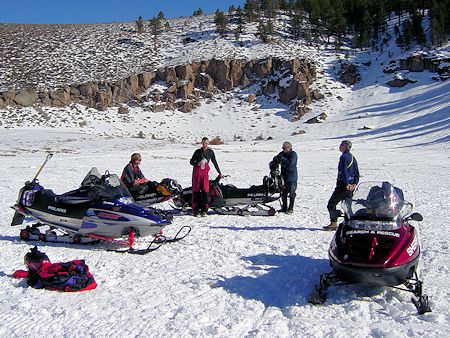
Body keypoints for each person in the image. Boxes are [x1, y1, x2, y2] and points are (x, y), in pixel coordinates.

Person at [323, 140, 360, 230]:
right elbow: (356, 172)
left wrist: (347, 183)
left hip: (343, 185)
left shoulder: (344, 157)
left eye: (341, 145)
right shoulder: (352, 157)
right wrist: (354, 183)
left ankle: (333, 223)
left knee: (331, 204)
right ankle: (351, 224)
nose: (339, 146)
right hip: (351, 185)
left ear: (345, 146)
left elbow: (344, 171)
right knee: (348, 206)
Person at [190, 137, 223, 217]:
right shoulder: (197, 152)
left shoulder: (210, 152)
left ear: (208, 143)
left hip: (205, 173)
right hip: (197, 172)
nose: (205, 144)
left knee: (206, 190)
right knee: (196, 190)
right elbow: (191, 161)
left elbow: (215, 162)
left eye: (207, 143)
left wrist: (219, 173)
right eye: (204, 143)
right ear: (202, 143)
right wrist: (197, 163)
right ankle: (196, 211)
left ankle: (204, 210)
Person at [271, 141, 298, 214]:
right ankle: (284, 208)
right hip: (283, 177)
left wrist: (283, 159)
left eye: (284, 148)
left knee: (292, 193)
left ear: (289, 148)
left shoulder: (293, 154)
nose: (283, 149)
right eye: (282, 148)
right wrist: (274, 162)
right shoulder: (282, 154)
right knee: (283, 192)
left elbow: (290, 164)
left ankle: (290, 208)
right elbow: (276, 159)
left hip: (291, 176)